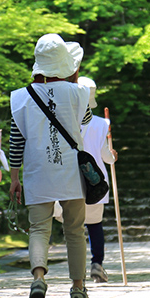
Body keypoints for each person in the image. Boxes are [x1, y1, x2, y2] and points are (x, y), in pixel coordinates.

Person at [9, 33, 92, 298]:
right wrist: (74, 80)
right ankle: (78, 288)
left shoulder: (21, 97)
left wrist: (13, 178)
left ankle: (38, 279)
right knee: (74, 230)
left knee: (38, 229)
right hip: (70, 173)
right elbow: (87, 118)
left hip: (37, 172)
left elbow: (16, 139)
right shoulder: (78, 92)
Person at [54, 76, 118, 283]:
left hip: (70, 179)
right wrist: (113, 156)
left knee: (75, 226)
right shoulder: (100, 124)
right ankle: (97, 264)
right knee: (95, 224)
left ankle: (78, 271)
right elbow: (106, 156)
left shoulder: (63, 121)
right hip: (95, 182)